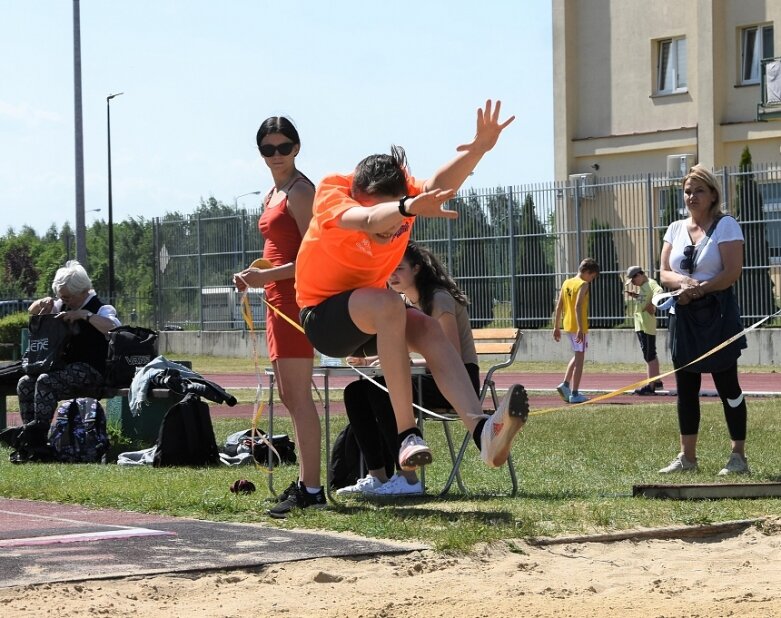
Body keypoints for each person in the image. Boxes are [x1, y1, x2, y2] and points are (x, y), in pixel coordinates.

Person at [295, 100, 529, 479]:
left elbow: (440, 187)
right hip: (324, 318)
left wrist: (479, 149)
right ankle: (407, 435)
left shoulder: (406, 196)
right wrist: (403, 208)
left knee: (425, 327)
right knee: (391, 304)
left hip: (369, 318)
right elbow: (369, 218)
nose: (387, 233)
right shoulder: (332, 192)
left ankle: (482, 430)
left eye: (393, 222)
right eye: (383, 229)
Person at [232, 116, 324, 518]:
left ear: (297, 148)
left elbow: (312, 254)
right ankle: (306, 482)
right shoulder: (273, 191)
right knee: (288, 396)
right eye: (268, 149)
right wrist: (256, 278)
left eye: (283, 147)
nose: (276, 155)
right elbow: (277, 248)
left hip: (296, 303)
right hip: (274, 301)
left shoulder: (301, 191)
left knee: (299, 398)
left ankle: (312, 488)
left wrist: (266, 275)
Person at [338, 242, 481, 497]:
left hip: (457, 382)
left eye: (399, 268)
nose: (392, 275)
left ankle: (409, 478)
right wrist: (372, 360)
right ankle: (377, 477)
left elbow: (452, 358)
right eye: (389, 268)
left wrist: (400, 366)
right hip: (428, 377)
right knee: (355, 392)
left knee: (381, 390)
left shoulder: (438, 299)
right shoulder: (402, 303)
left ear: (416, 269)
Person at [658, 164, 749, 476]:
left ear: (713, 195)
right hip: (682, 316)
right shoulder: (674, 228)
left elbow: (731, 273)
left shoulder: (727, 225)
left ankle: (737, 456)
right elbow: (664, 273)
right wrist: (682, 284)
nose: (691, 196)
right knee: (686, 387)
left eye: (698, 190)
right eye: (687, 191)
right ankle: (687, 458)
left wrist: (698, 290)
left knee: (728, 386)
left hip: (717, 316)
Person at [16, 260, 121, 445]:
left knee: (45, 381)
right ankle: (29, 435)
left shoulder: (100, 308)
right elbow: (32, 312)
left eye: (68, 297)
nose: (64, 301)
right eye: (61, 297)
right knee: (25, 383)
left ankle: (40, 439)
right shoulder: (63, 305)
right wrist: (42, 303)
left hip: (92, 371)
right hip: (63, 370)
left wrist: (85, 315)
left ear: (83, 291)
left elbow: (114, 328)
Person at [552, 258, 600, 404]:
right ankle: (574, 393)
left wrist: (556, 326)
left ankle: (565, 385)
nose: (591, 280)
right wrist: (580, 327)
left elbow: (559, 305)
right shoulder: (583, 284)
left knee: (577, 355)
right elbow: (578, 306)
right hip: (579, 326)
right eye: (592, 276)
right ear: (586, 272)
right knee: (580, 360)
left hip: (567, 325)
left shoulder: (567, 282)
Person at [624, 266, 664, 395]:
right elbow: (644, 299)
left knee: (649, 355)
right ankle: (657, 381)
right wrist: (635, 296)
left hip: (646, 326)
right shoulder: (643, 287)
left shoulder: (650, 283)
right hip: (643, 325)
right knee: (651, 353)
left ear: (639, 275)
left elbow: (659, 290)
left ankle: (650, 385)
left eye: (633, 280)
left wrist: (652, 304)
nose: (633, 283)